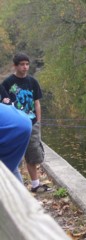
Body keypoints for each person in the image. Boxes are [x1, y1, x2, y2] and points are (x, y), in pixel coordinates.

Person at [2, 52, 51, 193]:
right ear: (15, 66)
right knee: (15, 156)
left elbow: (37, 103)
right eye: (22, 64)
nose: (25, 67)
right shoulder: (7, 83)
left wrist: (38, 121)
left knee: (33, 153)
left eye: (27, 64)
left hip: (31, 122)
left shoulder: (32, 82)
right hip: (15, 125)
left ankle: (35, 185)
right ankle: (15, 186)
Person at [0, 103, 32, 182]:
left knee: (6, 169)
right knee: (11, 167)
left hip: (11, 128)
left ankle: (16, 193)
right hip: (22, 121)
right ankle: (20, 192)